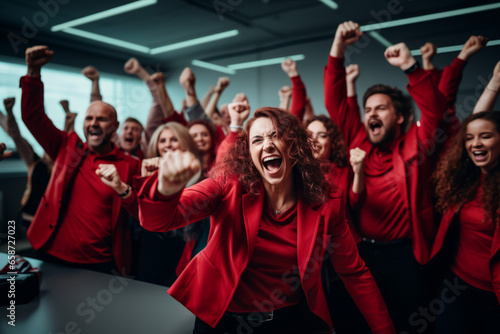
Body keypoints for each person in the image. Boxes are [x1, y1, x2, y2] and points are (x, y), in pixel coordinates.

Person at [137, 106, 395, 333]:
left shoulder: (328, 200)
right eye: (257, 140)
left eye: (275, 136)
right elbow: (158, 222)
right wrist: (165, 191)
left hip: (288, 321)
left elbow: (354, 272)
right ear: (249, 154)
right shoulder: (228, 185)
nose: (267, 144)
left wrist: (384, 330)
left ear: (294, 145)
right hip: (224, 321)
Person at [325, 21, 449, 333]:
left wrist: (410, 66)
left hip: (405, 256)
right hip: (363, 253)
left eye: (381, 108)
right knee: (365, 323)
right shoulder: (358, 141)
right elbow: (335, 101)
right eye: (368, 109)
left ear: (401, 116)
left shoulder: (415, 146)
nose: (371, 114)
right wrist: (338, 46)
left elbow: (435, 112)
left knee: (410, 322)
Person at [21, 45, 140, 275]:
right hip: (50, 254)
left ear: (114, 127)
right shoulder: (67, 146)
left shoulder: (129, 164)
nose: (94, 123)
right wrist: (33, 72)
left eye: (102, 119)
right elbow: (33, 116)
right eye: (89, 118)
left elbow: (138, 212)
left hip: (99, 263)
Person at [431, 111, 500, 334]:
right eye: (469, 138)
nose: (475, 143)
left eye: (486, 136)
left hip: (494, 297)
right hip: (456, 287)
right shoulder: (463, 178)